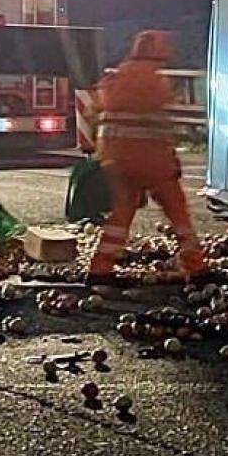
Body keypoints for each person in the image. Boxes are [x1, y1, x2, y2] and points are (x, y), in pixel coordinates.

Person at [86, 31, 207, 287]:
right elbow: (157, 128)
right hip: (149, 160)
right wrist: (171, 162)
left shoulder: (117, 77)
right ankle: (196, 268)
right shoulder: (153, 82)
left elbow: (96, 112)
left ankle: (100, 269)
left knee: (121, 214)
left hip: (115, 158)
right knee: (178, 213)